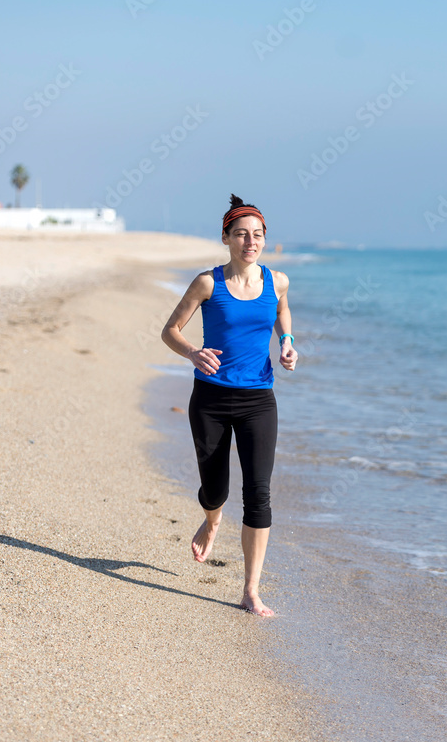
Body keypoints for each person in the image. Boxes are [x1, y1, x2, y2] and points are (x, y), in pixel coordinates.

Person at [161, 195, 298, 617]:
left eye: (257, 235)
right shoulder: (208, 283)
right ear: (226, 238)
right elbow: (170, 330)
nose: (249, 242)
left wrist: (288, 343)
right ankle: (212, 518)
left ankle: (251, 590)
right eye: (241, 234)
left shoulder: (278, 281)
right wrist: (192, 353)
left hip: (259, 399)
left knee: (258, 493)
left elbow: (282, 315)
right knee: (215, 488)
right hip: (211, 399)